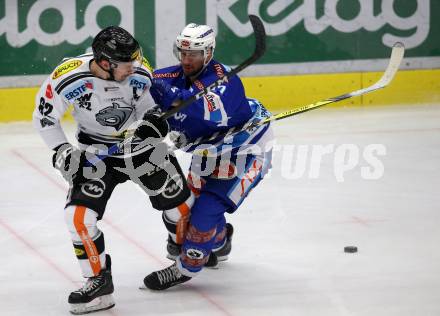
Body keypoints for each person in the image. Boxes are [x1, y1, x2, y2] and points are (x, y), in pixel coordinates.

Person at [33, 26, 194, 314]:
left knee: (182, 207)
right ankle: (99, 283)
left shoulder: (139, 72)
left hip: (140, 149)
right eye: (125, 63)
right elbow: (44, 117)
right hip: (97, 155)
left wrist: (153, 123)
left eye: (134, 59)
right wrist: (62, 150)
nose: (134, 66)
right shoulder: (66, 78)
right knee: (78, 217)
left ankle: (185, 248)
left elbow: (150, 110)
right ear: (105, 63)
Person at [142, 23, 274, 290]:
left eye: (194, 54)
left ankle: (185, 268)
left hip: (245, 150)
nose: (187, 60)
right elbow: (145, 91)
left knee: (205, 214)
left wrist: (172, 102)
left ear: (209, 53)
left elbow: (209, 112)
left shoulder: (225, 80)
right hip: (209, 150)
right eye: (183, 53)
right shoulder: (170, 77)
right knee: (190, 210)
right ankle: (220, 239)